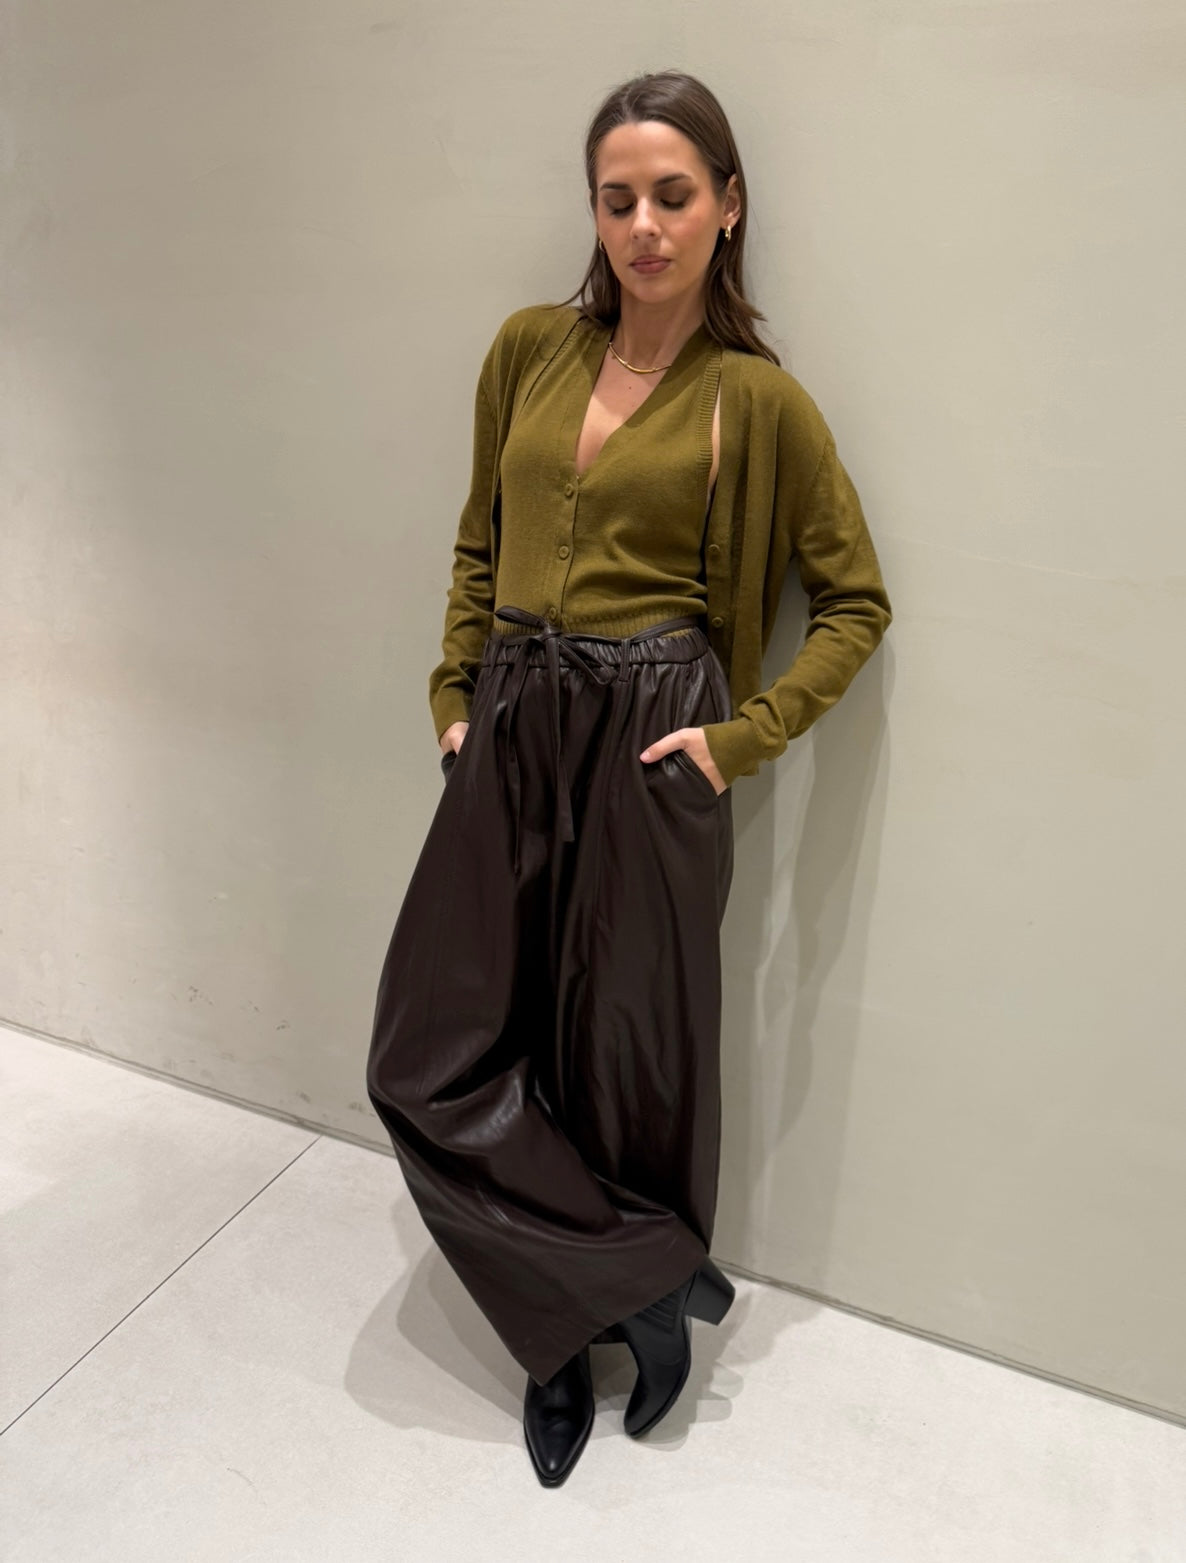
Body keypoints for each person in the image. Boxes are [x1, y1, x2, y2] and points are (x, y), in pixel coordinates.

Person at [366, 69, 892, 1488]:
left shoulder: (758, 403)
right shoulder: (529, 351)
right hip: (514, 712)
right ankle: (643, 1285)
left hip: (658, 724)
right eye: (618, 200)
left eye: (673, 195)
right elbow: (478, 541)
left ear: (728, 206)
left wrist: (737, 739)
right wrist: (454, 697)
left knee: (620, 1058)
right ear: (593, 212)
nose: (644, 227)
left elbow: (854, 605)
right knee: (430, 1054)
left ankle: (570, 1343)